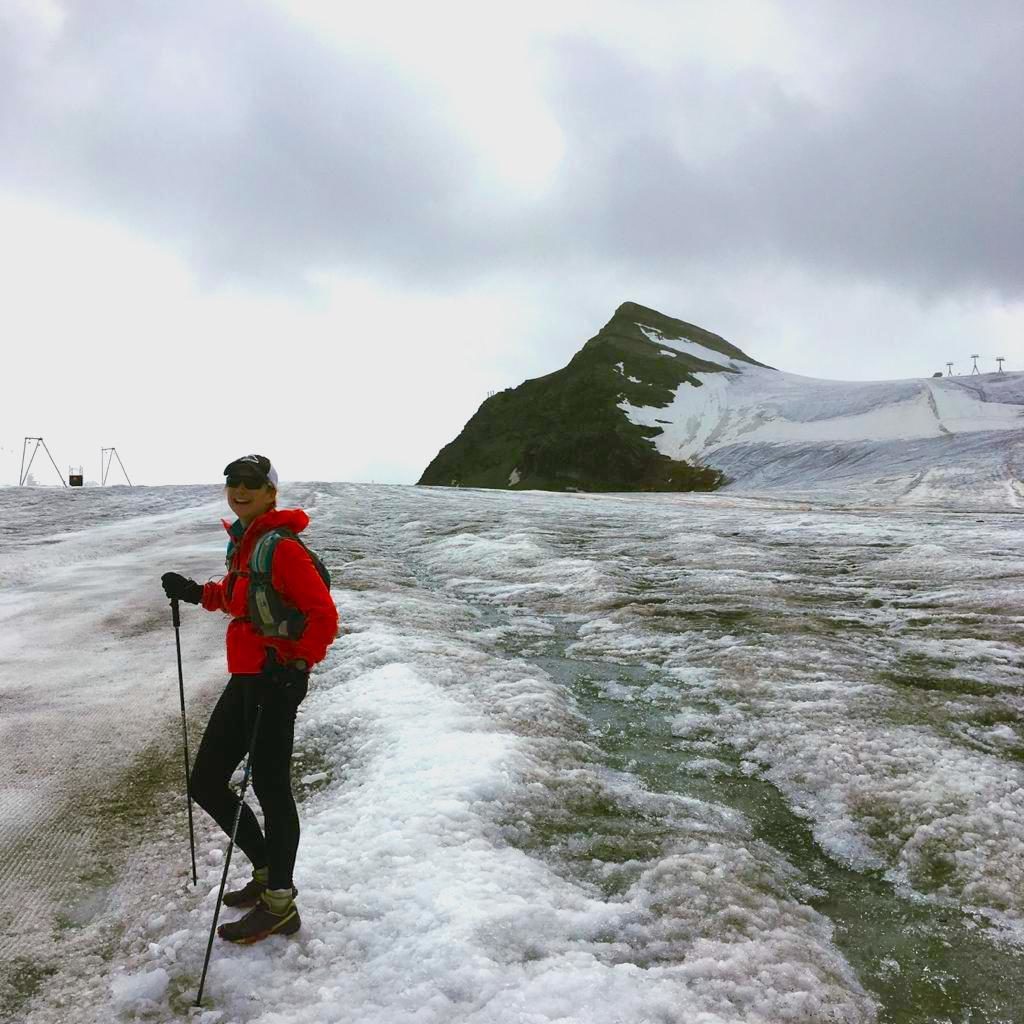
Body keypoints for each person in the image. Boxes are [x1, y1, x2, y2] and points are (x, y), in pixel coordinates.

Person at [161, 455, 338, 944]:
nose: (239, 490)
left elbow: (323, 616)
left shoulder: (281, 549)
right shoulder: (247, 543)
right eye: (233, 483)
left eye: (251, 484)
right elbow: (243, 597)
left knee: (272, 789)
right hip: (248, 676)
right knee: (206, 782)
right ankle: (265, 872)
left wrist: (297, 663)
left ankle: (280, 903)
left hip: (274, 679)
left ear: (270, 493)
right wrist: (197, 593)